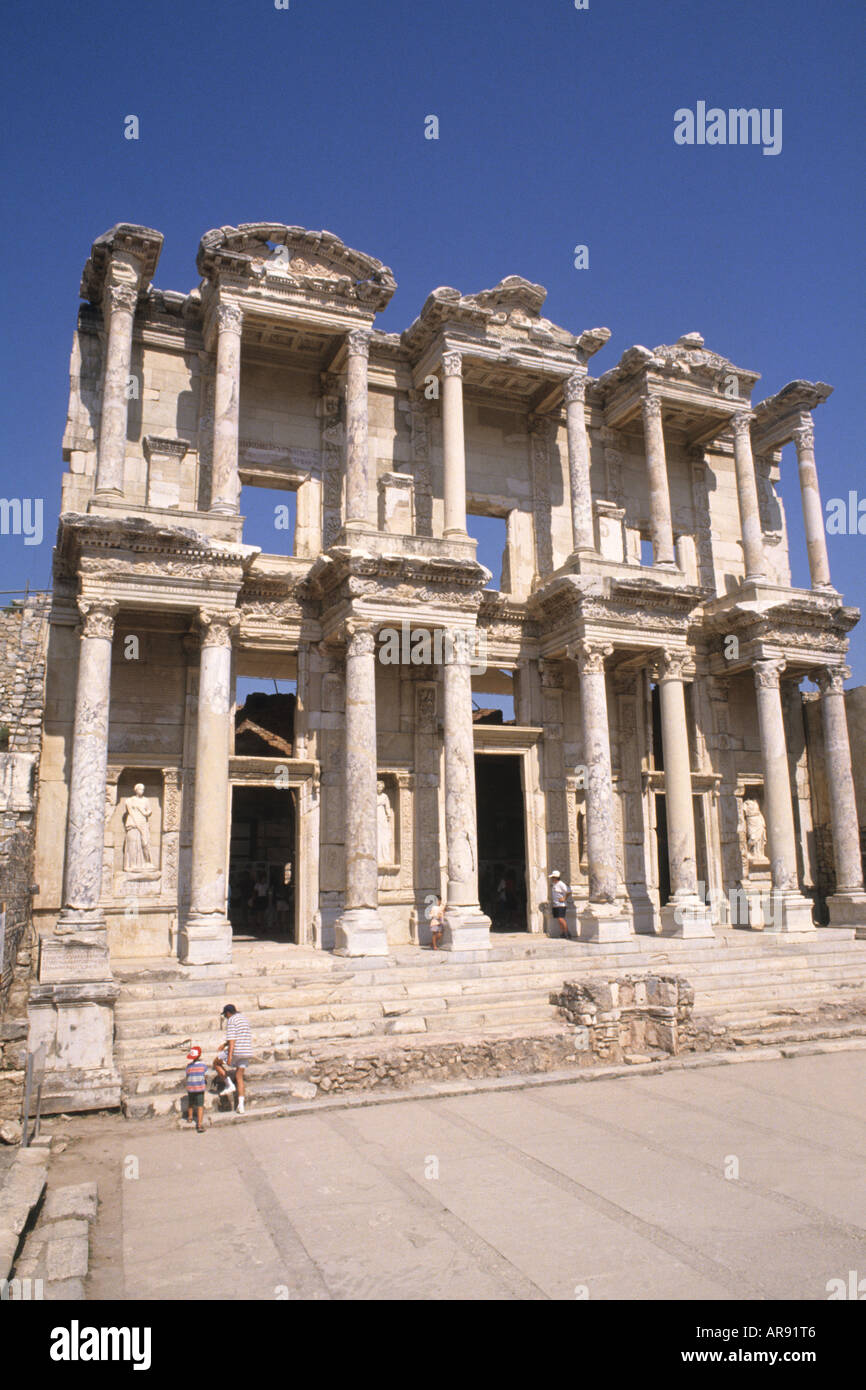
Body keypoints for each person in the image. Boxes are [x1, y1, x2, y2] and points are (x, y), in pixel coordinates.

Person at [213, 1004, 253, 1114]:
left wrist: (229, 1055)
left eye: (225, 1015)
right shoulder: (243, 1019)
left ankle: (229, 1085)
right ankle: (241, 1106)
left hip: (236, 1050)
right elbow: (238, 1035)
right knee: (239, 1077)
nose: (225, 1017)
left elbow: (232, 1039)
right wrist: (224, 1044)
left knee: (216, 1063)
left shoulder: (231, 1020)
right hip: (246, 1050)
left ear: (228, 1013)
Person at [184, 1045, 208, 1133]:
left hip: (190, 1087)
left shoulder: (188, 1066)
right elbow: (206, 1075)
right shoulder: (203, 1066)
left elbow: (187, 1076)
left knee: (191, 1103)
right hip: (200, 1088)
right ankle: (199, 1124)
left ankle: (190, 1118)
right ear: (200, 1055)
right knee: (200, 1105)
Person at [549, 870, 571, 939]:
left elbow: (569, 891)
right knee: (559, 920)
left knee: (561, 919)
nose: (551, 879)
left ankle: (567, 933)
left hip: (561, 905)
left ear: (556, 877)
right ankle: (563, 933)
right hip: (556, 904)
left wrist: (564, 898)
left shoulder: (561, 884)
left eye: (553, 877)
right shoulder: (554, 884)